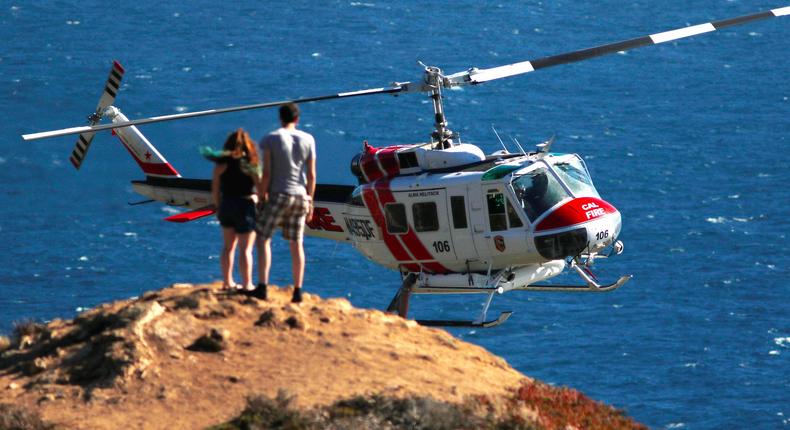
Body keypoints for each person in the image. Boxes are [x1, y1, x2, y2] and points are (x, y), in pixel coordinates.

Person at [251, 103, 316, 303]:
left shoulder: (271, 139)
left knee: (263, 238)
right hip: (300, 196)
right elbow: (312, 175)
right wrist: (311, 201)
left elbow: (267, 173)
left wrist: (261, 196)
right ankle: (297, 291)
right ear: (297, 119)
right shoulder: (308, 139)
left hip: (279, 194)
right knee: (297, 244)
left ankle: (262, 287)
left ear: (280, 118)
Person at [210, 129, 261, 292]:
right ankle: (247, 284)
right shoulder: (251, 165)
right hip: (245, 206)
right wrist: (257, 199)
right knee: (245, 249)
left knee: (228, 247)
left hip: (227, 205)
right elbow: (261, 188)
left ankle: (227, 282)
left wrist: (219, 207)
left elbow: (215, 189)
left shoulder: (221, 165)